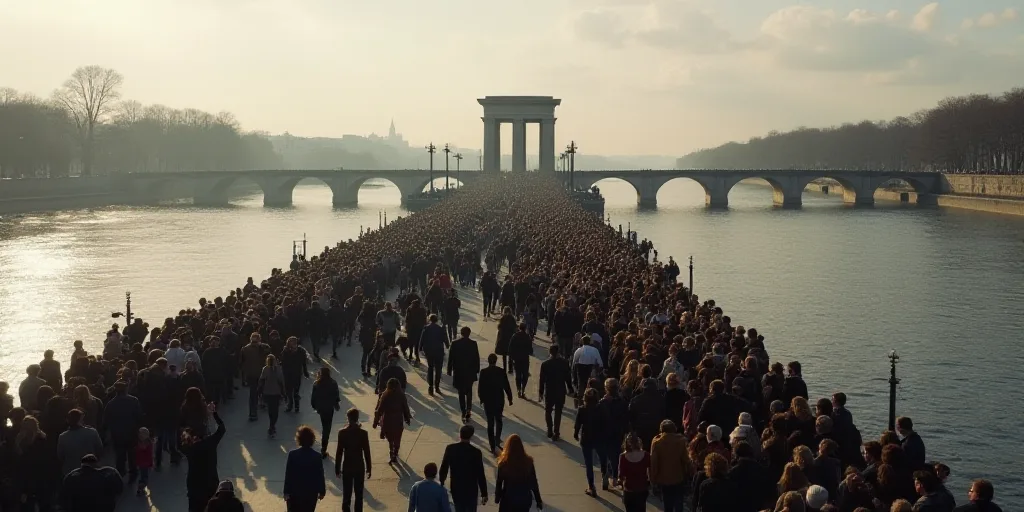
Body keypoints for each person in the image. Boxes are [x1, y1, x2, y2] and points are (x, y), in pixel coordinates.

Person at [182, 404, 227, 512]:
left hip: (194, 483)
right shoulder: (210, 443)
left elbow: (178, 442)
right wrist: (214, 414)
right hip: (210, 481)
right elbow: (222, 429)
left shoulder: (189, 448)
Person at [440, 425, 488, 512]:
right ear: (471, 436)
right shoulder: (476, 452)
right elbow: (480, 474)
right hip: (471, 489)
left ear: (460, 434)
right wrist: (484, 493)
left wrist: (441, 482)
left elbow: (444, 467)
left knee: (459, 508)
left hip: (456, 487)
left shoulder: (450, 449)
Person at [335, 408, 372, 512]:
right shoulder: (363, 433)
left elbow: (339, 453)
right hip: (359, 466)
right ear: (357, 418)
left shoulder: (342, 433)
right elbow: (367, 452)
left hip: (347, 466)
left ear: (348, 418)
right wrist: (369, 468)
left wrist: (337, 469)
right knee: (359, 495)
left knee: (347, 494)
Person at [650, 419, 692, 512]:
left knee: (667, 503)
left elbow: (654, 463)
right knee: (679, 503)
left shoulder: (657, 442)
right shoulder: (681, 441)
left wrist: (653, 479)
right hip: (678, 476)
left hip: (664, 478)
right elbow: (686, 460)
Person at [284, 426, 327, 512]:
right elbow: (320, 475)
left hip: (294, 493)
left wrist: (286, 492)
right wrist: (322, 491)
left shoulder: (292, 454)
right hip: (310, 493)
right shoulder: (317, 456)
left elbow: (288, 474)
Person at [494, 434, 543, 511]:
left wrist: (497, 498)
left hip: (508, 498)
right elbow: (533, 482)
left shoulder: (504, 463)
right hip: (524, 499)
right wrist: (538, 500)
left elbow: (499, 482)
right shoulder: (528, 462)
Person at [477, 353, 514, 454]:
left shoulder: (484, 372)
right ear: (496, 360)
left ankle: (492, 445)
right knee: (499, 420)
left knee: (490, 422)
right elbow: (506, 385)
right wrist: (510, 398)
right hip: (499, 399)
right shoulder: (501, 371)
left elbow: (480, 387)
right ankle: (497, 438)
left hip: (488, 400)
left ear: (488, 361)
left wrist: (481, 398)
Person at [573, 388, 606, 497]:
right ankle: (604, 475)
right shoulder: (601, 409)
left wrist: (576, 434)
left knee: (589, 463)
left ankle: (591, 486)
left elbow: (578, 424)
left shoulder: (582, 409)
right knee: (602, 458)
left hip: (586, 438)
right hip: (599, 437)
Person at [373, 378, 412, 464]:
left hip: (387, 420)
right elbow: (405, 408)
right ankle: (395, 452)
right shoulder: (401, 395)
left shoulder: (385, 395)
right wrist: (407, 418)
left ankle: (391, 453)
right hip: (398, 420)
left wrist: (375, 422)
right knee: (397, 438)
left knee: (390, 438)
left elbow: (380, 410)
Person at [538, 344, 572, 441]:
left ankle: (549, 429)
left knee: (548, 411)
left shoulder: (545, 364)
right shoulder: (564, 363)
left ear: (550, 352)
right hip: (560, 390)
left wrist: (540, 392)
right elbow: (568, 378)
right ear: (558, 352)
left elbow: (542, 380)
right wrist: (570, 388)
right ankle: (556, 431)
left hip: (549, 390)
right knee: (558, 412)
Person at [57, 408, 104, 478]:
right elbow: (100, 450)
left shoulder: (62, 437)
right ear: (80, 419)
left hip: (70, 473)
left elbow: (60, 456)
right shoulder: (92, 432)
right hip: (90, 470)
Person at [447, 326, 481, 423]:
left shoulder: (455, 343)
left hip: (459, 371)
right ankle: (468, 409)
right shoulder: (473, 344)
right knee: (469, 390)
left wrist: (449, 370)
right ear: (469, 333)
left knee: (461, 392)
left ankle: (463, 411)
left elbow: (451, 358)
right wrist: (477, 370)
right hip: (469, 372)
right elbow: (476, 358)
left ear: (461, 333)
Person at [310, 367, 342, 458]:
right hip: (329, 408)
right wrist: (336, 404)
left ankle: (324, 446)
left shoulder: (316, 384)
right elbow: (336, 395)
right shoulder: (333, 383)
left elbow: (313, 397)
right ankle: (324, 448)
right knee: (327, 428)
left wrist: (315, 406)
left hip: (321, 408)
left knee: (325, 425)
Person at [241, 333, 270, 421]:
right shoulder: (264, 348)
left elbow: (241, 363)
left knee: (253, 394)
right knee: (260, 391)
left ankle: (253, 412)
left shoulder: (245, 349)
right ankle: (261, 403)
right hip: (261, 374)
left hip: (251, 374)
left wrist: (244, 376)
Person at [420, 314, 450, 395]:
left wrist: (420, 347)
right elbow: (445, 339)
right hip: (439, 350)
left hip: (429, 350)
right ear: (436, 320)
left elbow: (422, 338)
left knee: (430, 367)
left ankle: (430, 386)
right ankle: (437, 386)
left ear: (429, 319)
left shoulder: (426, 328)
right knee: (438, 369)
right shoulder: (440, 329)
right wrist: (447, 345)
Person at [571, 334, 603, 406]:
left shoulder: (579, 350)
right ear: (590, 342)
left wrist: (573, 372)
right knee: (590, 384)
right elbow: (600, 363)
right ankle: (591, 399)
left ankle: (580, 403)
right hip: (591, 369)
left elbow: (574, 362)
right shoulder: (595, 350)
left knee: (581, 385)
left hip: (580, 369)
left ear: (582, 342)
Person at [259, 354, 286, 437]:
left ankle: (271, 425)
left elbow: (262, 381)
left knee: (271, 411)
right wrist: (283, 393)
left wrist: (260, 391)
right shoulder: (278, 369)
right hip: (275, 393)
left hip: (268, 393)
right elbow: (281, 382)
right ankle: (272, 426)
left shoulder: (265, 369)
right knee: (275, 411)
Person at [281, 336, 310, 413]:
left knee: (295, 391)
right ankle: (291, 405)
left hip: (295, 374)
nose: (294, 344)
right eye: (292, 343)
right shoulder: (286, 351)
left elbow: (304, 363)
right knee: (290, 391)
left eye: (295, 343)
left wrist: (305, 371)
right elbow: (283, 363)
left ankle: (295, 406)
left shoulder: (300, 351)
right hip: (289, 374)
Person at [507, 323, 534, 398]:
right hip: (525, 359)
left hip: (517, 359)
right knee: (525, 375)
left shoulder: (514, 336)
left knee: (518, 375)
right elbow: (530, 351)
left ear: (519, 328)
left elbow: (510, 348)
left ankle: (518, 389)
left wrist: (512, 358)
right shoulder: (527, 337)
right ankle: (523, 389)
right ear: (525, 328)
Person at [135, 427, 155, 496]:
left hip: (141, 463)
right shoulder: (149, 444)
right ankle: (141, 487)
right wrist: (151, 464)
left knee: (142, 476)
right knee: (145, 477)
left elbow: (137, 454)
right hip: (146, 464)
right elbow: (150, 455)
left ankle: (140, 487)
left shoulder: (138, 444)